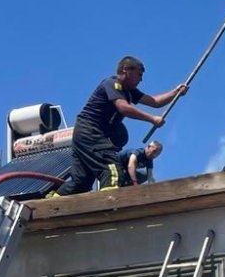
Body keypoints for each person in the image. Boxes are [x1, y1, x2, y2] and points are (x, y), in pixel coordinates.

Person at [54, 57, 186, 196]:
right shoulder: (111, 84)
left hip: (84, 135)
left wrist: (176, 92)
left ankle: (50, 201)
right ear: (126, 70)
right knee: (112, 170)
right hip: (90, 130)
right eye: (139, 74)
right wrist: (152, 119)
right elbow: (124, 108)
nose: (141, 80)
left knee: (81, 181)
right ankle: (110, 207)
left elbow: (155, 102)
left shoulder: (130, 91)